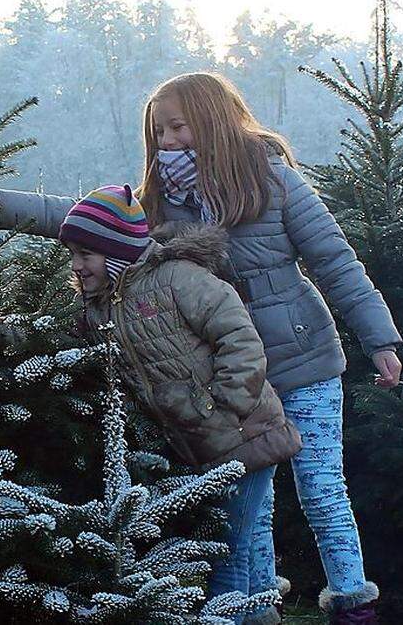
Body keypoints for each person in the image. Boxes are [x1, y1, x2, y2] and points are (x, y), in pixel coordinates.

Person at [0, 72, 401, 624]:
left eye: (177, 126)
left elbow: (335, 260)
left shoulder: (273, 181)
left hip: (300, 360)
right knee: (248, 507)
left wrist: (379, 339)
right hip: (230, 376)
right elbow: (88, 219)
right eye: (157, 130)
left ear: (212, 122)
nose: (165, 140)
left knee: (321, 487)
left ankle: (353, 604)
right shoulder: (162, 200)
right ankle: (257, 611)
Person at [56, 184, 301, 624]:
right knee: (233, 547)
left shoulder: (177, 279)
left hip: (246, 434)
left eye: (86, 254)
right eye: (72, 254)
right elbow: (58, 338)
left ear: (115, 251)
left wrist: (222, 405)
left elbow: (240, 339)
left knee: (228, 551)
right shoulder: (101, 307)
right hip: (198, 445)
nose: (77, 265)